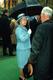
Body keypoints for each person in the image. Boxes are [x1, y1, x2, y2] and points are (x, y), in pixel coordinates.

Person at [28, 7, 53, 80]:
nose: (40, 16)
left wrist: (30, 61)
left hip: (42, 66)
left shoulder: (41, 27)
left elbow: (35, 49)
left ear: (44, 15)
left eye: (41, 14)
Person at [15, 13, 32, 80]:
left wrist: (28, 33)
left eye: (26, 19)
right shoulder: (18, 29)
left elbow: (26, 38)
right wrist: (28, 33)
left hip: (27, 48)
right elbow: (22, 39)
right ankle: (21, 77)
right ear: (19, 21)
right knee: (21, 64)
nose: (25, 21)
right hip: (22, 49)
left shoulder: (24, 28)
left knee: (26, 62)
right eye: (23, 20)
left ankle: (26, 74)